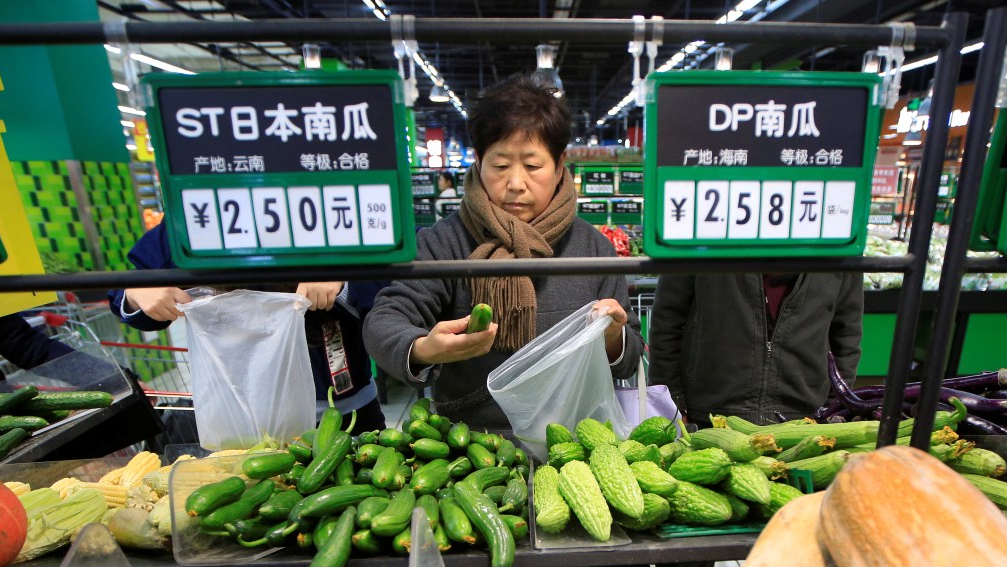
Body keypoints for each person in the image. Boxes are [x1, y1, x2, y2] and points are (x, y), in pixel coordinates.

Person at [363, 74, 641, 430]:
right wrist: (422, 349)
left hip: (576, 442)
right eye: (500, 165)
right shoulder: (445, 243)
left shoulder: (591, 248)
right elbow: (384, 321)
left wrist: (613, 337)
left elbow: (629, 356)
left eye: (532, 165)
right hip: (472, 445)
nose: (515, 183)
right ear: (478, 161)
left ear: (559, 166)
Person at [109, 225, 387, 433]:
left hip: (346, 413)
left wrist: (346, 276)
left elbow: (405, 270)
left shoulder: (335, 204)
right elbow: (130, 287)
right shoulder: (197, 215)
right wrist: (136, 292)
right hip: (245, 419)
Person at [649, 272, 863, 425]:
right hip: (708, 418)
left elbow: (847, 336)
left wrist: (834, 407)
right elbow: (667, 323)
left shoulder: (837, 238)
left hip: (806, 420)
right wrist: (672, 405)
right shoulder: (707, 226)